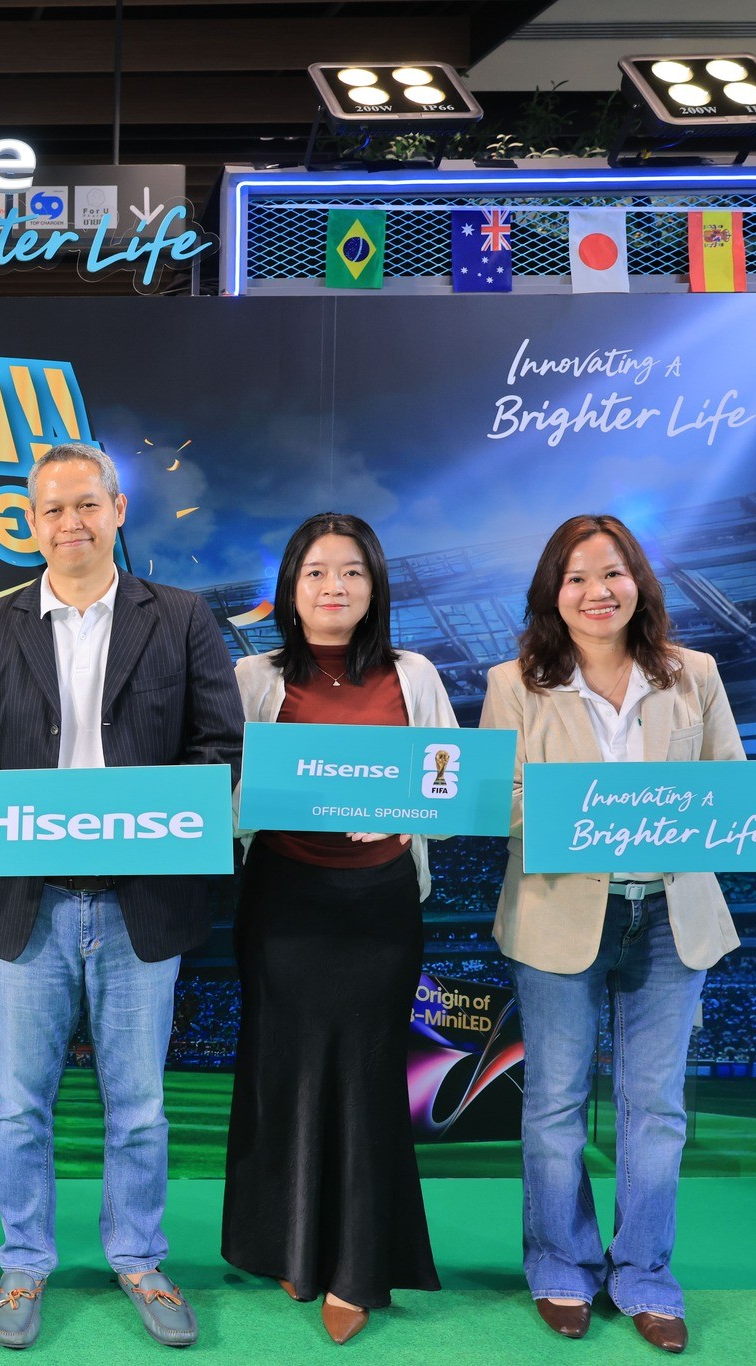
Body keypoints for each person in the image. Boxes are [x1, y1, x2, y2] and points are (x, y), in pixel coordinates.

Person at [0, 441, 243, 1351]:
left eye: (86, 505)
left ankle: (139, 1258)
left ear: (116, 511)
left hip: (140, 900)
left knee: (139, 1106)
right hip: (25, 903)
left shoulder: (180, 616)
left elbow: (220, 747)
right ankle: (24, 1263)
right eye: (51, 509)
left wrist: (134, 813)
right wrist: (25, 819)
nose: (69, 523)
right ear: (31, 523)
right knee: (18, 1108)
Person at [480, 514, 742, 1356]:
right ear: (552, 594)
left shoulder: (694, 673)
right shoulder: (514, 683)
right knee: (555, 1104)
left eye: (613, 573)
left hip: (671, 912)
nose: (597, 592)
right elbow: (497, 801)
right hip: (560, 911)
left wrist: (655, 822)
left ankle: (645, 1276)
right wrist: (599, 819)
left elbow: (729, 787)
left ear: (639, 583)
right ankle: (561, 1265)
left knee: (655, 1107)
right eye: (577, 578)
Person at [223, 513, 449, 1344]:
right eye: (316, 571)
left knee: (367, 1077)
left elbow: (452, 789)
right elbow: (225, 798)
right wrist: (277, 800)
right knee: (285, 1074)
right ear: (291, 588)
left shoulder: (414, 674)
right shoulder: (252, 677)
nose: (334, 587)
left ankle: (356, 1267)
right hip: (283, 904)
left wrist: (402, 810)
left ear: (374, 585)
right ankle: (292, 1244)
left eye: (351, 571)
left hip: (379, 906)